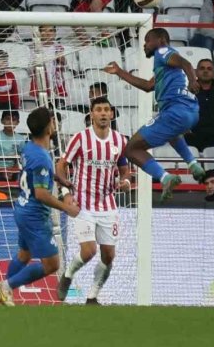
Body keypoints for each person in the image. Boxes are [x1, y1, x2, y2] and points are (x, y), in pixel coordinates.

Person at [103, 28, 206, 201]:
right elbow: (147, 86)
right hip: (191, 112)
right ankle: (193, 164)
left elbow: (186, 63)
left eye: (147, 40)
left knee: (131, 149)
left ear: (160, 40)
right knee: (172, 134)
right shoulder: (165, 67)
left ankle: (165, 178)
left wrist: (194, 81)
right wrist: (120, 72)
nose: (144, 45)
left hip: (175, 111)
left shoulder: (163, 51)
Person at [0, 107, 80, 306]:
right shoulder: (41, 156)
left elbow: (36, 172)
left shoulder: (30, 147)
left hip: (22, 208)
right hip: (34, 215)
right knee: (52, 264)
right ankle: (5, 287)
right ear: (49, 128)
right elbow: (41, 194)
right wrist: (67, 208)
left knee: (24, 255)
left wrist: (59, 179)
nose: (55, 124)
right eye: (53, 121)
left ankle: (2, 295)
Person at [55, 96, 130, 305]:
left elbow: (125, 169)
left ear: (112, 114)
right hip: (83, 204)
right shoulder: (80, 138)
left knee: (108, 256)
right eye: (99, 110)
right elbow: (61, 166)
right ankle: (68, 275)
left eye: (107, 109)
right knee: (88, 251)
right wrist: (66, 194)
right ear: (92, 113)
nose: (104, 113)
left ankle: (93, 296)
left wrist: (124, 180)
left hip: (108, 204)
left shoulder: (120, 141)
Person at [185, 58, 214, 152]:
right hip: (192, 139)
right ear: (195, 72)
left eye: (209, 69)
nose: (206, 71)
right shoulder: (186, 92)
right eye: (202, 68)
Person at [0, 110, 24, 182]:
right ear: (2, 121)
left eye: (14, 120)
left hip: (13, 170)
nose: (10, 122)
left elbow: (21, 158)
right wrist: (0, 171)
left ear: (18, 122)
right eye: (8, 119)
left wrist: (12, 170)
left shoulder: (20, 139)